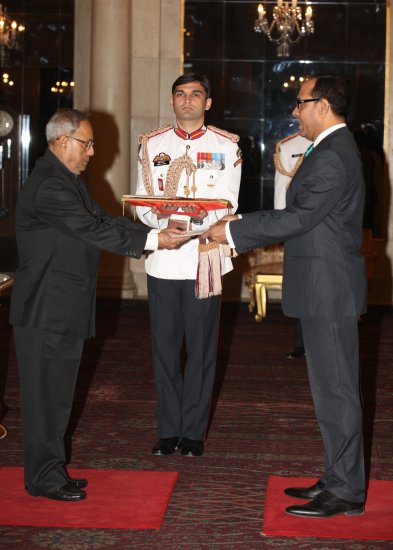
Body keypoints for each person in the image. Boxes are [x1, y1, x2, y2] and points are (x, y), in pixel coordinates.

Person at [204, 74, 367, 518]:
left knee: (338, 393)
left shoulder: (334, 155)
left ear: (324, 106)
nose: (295, 110)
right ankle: (337, 477)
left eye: (300, 103)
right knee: (329, 392)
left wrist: (234, 229)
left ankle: (348, 490)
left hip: (329, 291)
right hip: (323, 288)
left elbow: (298, 218)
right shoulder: (330, 149)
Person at [9, 108, 189, 502]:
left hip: (61, 308)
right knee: (44, 401)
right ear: (62, 141)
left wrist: (156, 231)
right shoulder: (50, 186)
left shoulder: (66, 180)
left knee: (57, 397)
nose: (92, 151)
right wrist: (156, 242)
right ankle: (42, 477)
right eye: (86, 143)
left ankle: (51, 470)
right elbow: (91, 230)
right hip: (45, 310)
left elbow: (105, 220)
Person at [135, 73, 241, 457]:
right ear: (172, 101)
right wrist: (162, 224)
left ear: (208, 102)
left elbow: (228, 204)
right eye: (180, 94)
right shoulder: (152, 144)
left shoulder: (226, 147)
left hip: (203, 258)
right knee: (164, 349)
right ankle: (168, 430)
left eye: (196, 94)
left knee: (201, 350)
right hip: (163, 259)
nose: (188, 101)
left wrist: (192, 225)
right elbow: (142, 201)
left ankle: (193, 432)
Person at [273, 132, 312, 359]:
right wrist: (281, 224)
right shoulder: (289, 146)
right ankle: (301, 343)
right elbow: (282, 187)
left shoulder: (334, 141)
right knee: (299, 284)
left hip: (326, 224)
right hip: (296, 226)